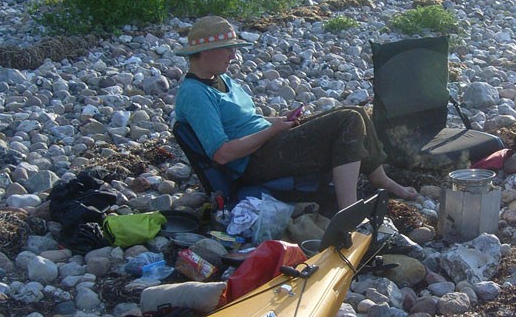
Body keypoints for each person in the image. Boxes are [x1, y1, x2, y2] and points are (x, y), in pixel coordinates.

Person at [172, 15, 418, 208]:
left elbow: (245, 120)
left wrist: (277, 121)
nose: (233, 55)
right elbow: (222, 154)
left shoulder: (220, 78)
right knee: (349, 121)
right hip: (254, 162)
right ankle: (348, 209)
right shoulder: (195, 93)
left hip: (267, 142)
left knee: (355, 111)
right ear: (206, 52)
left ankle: (380, 179)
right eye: (228, 49)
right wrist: (272, 131)